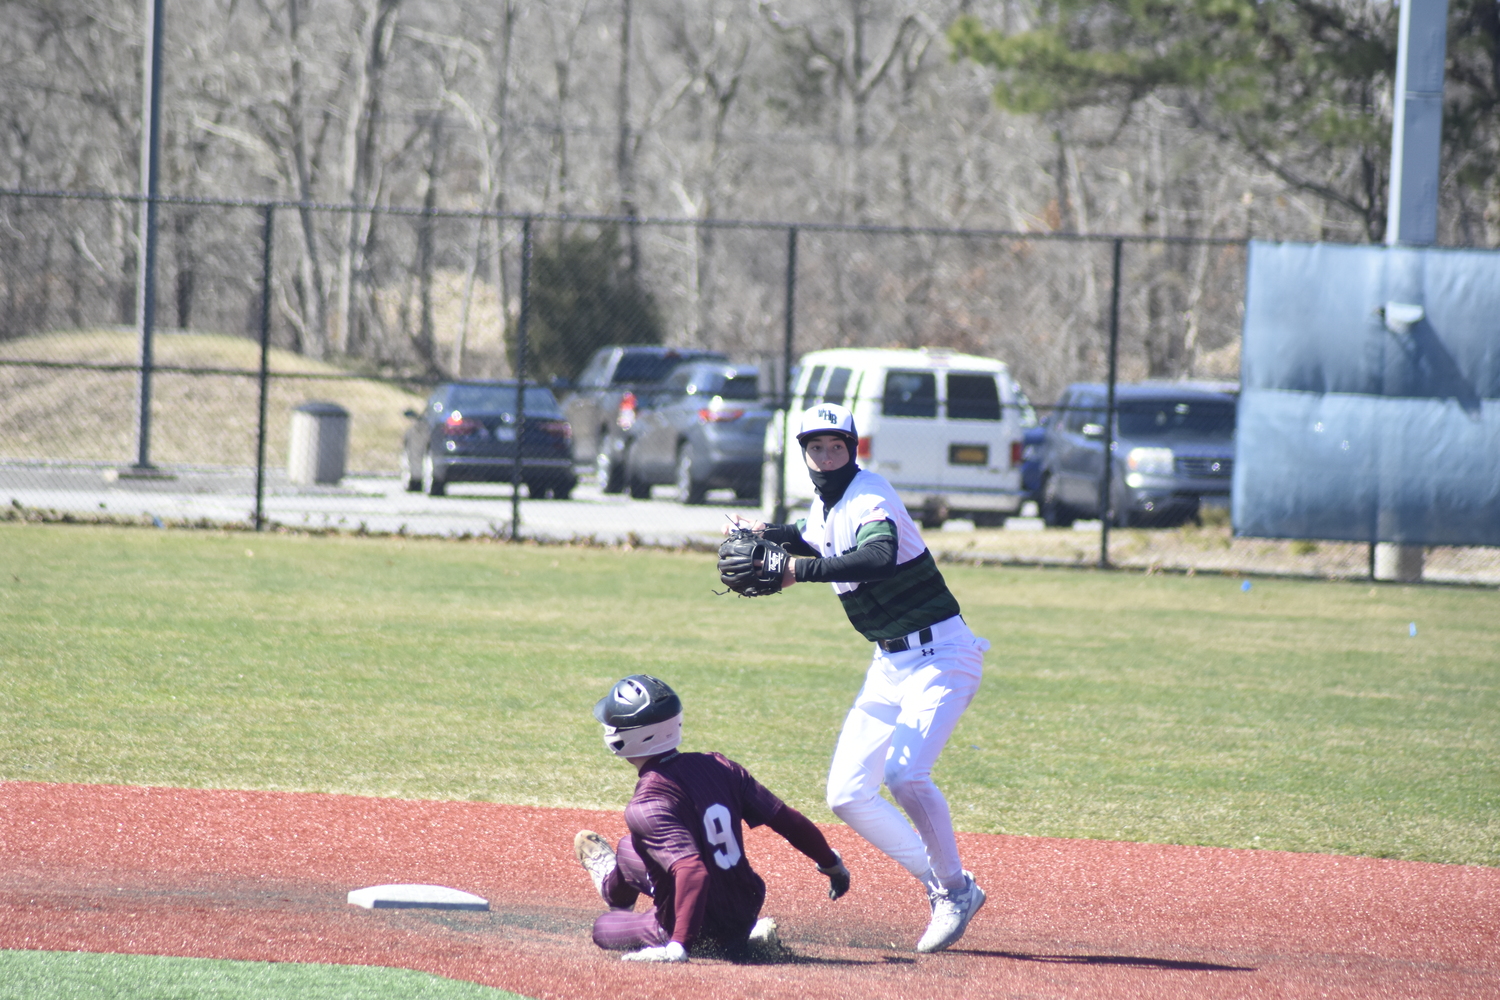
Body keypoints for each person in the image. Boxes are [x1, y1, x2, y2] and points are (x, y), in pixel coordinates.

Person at [725, 402, 988, 953]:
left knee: (906, 777)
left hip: (942, 654)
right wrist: (766, 533)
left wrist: (796, 571)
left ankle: (954, 888)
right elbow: (809, 532)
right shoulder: (826, 507)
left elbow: (879, 553)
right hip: (890, 664)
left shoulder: (870, 493)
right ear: (804, 454)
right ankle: (946, 884)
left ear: (853, 449)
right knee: (847, 793)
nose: (826, 456)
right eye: (816, 448)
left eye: (836, 446)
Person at [575, 673, 851, 962]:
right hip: (745, 903)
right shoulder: (720, 766)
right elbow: (785, 818)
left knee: (604, 928)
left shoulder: (645, 805)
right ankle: (614, 887)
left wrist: (678, 945)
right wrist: (831, 864)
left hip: (699, 924)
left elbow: (693, 871)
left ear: (620, 737)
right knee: (629, 847)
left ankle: (727, 941)